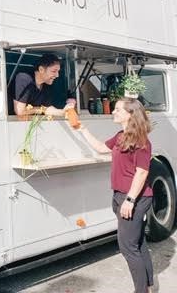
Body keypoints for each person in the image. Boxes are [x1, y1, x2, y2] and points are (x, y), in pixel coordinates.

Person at [73, 98, 154, 293]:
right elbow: (101, 148)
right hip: (121, 196)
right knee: (138, 242)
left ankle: (141, 291)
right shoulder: (121, 136)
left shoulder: (141, 141)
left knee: (127, 247)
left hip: (134, 198)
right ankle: (148, 286)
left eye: (117, 109)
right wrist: (82, 129)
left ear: (130, 114)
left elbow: (142, 173)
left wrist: (130, 200)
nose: (113, 112)